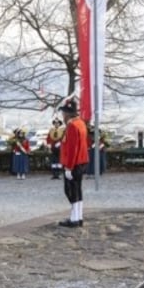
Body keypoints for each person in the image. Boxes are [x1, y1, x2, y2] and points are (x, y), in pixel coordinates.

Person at [58, 98, 88, 228]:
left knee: (71, 191)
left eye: (64, 113)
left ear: (68, 113)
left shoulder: (72, 126)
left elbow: (72, 149)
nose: (62, 115)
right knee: (77, 190)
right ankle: (78, 216)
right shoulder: (80, 123)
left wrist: (68, 167)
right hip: (81, 162)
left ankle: (74, 219)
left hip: (74, 164)